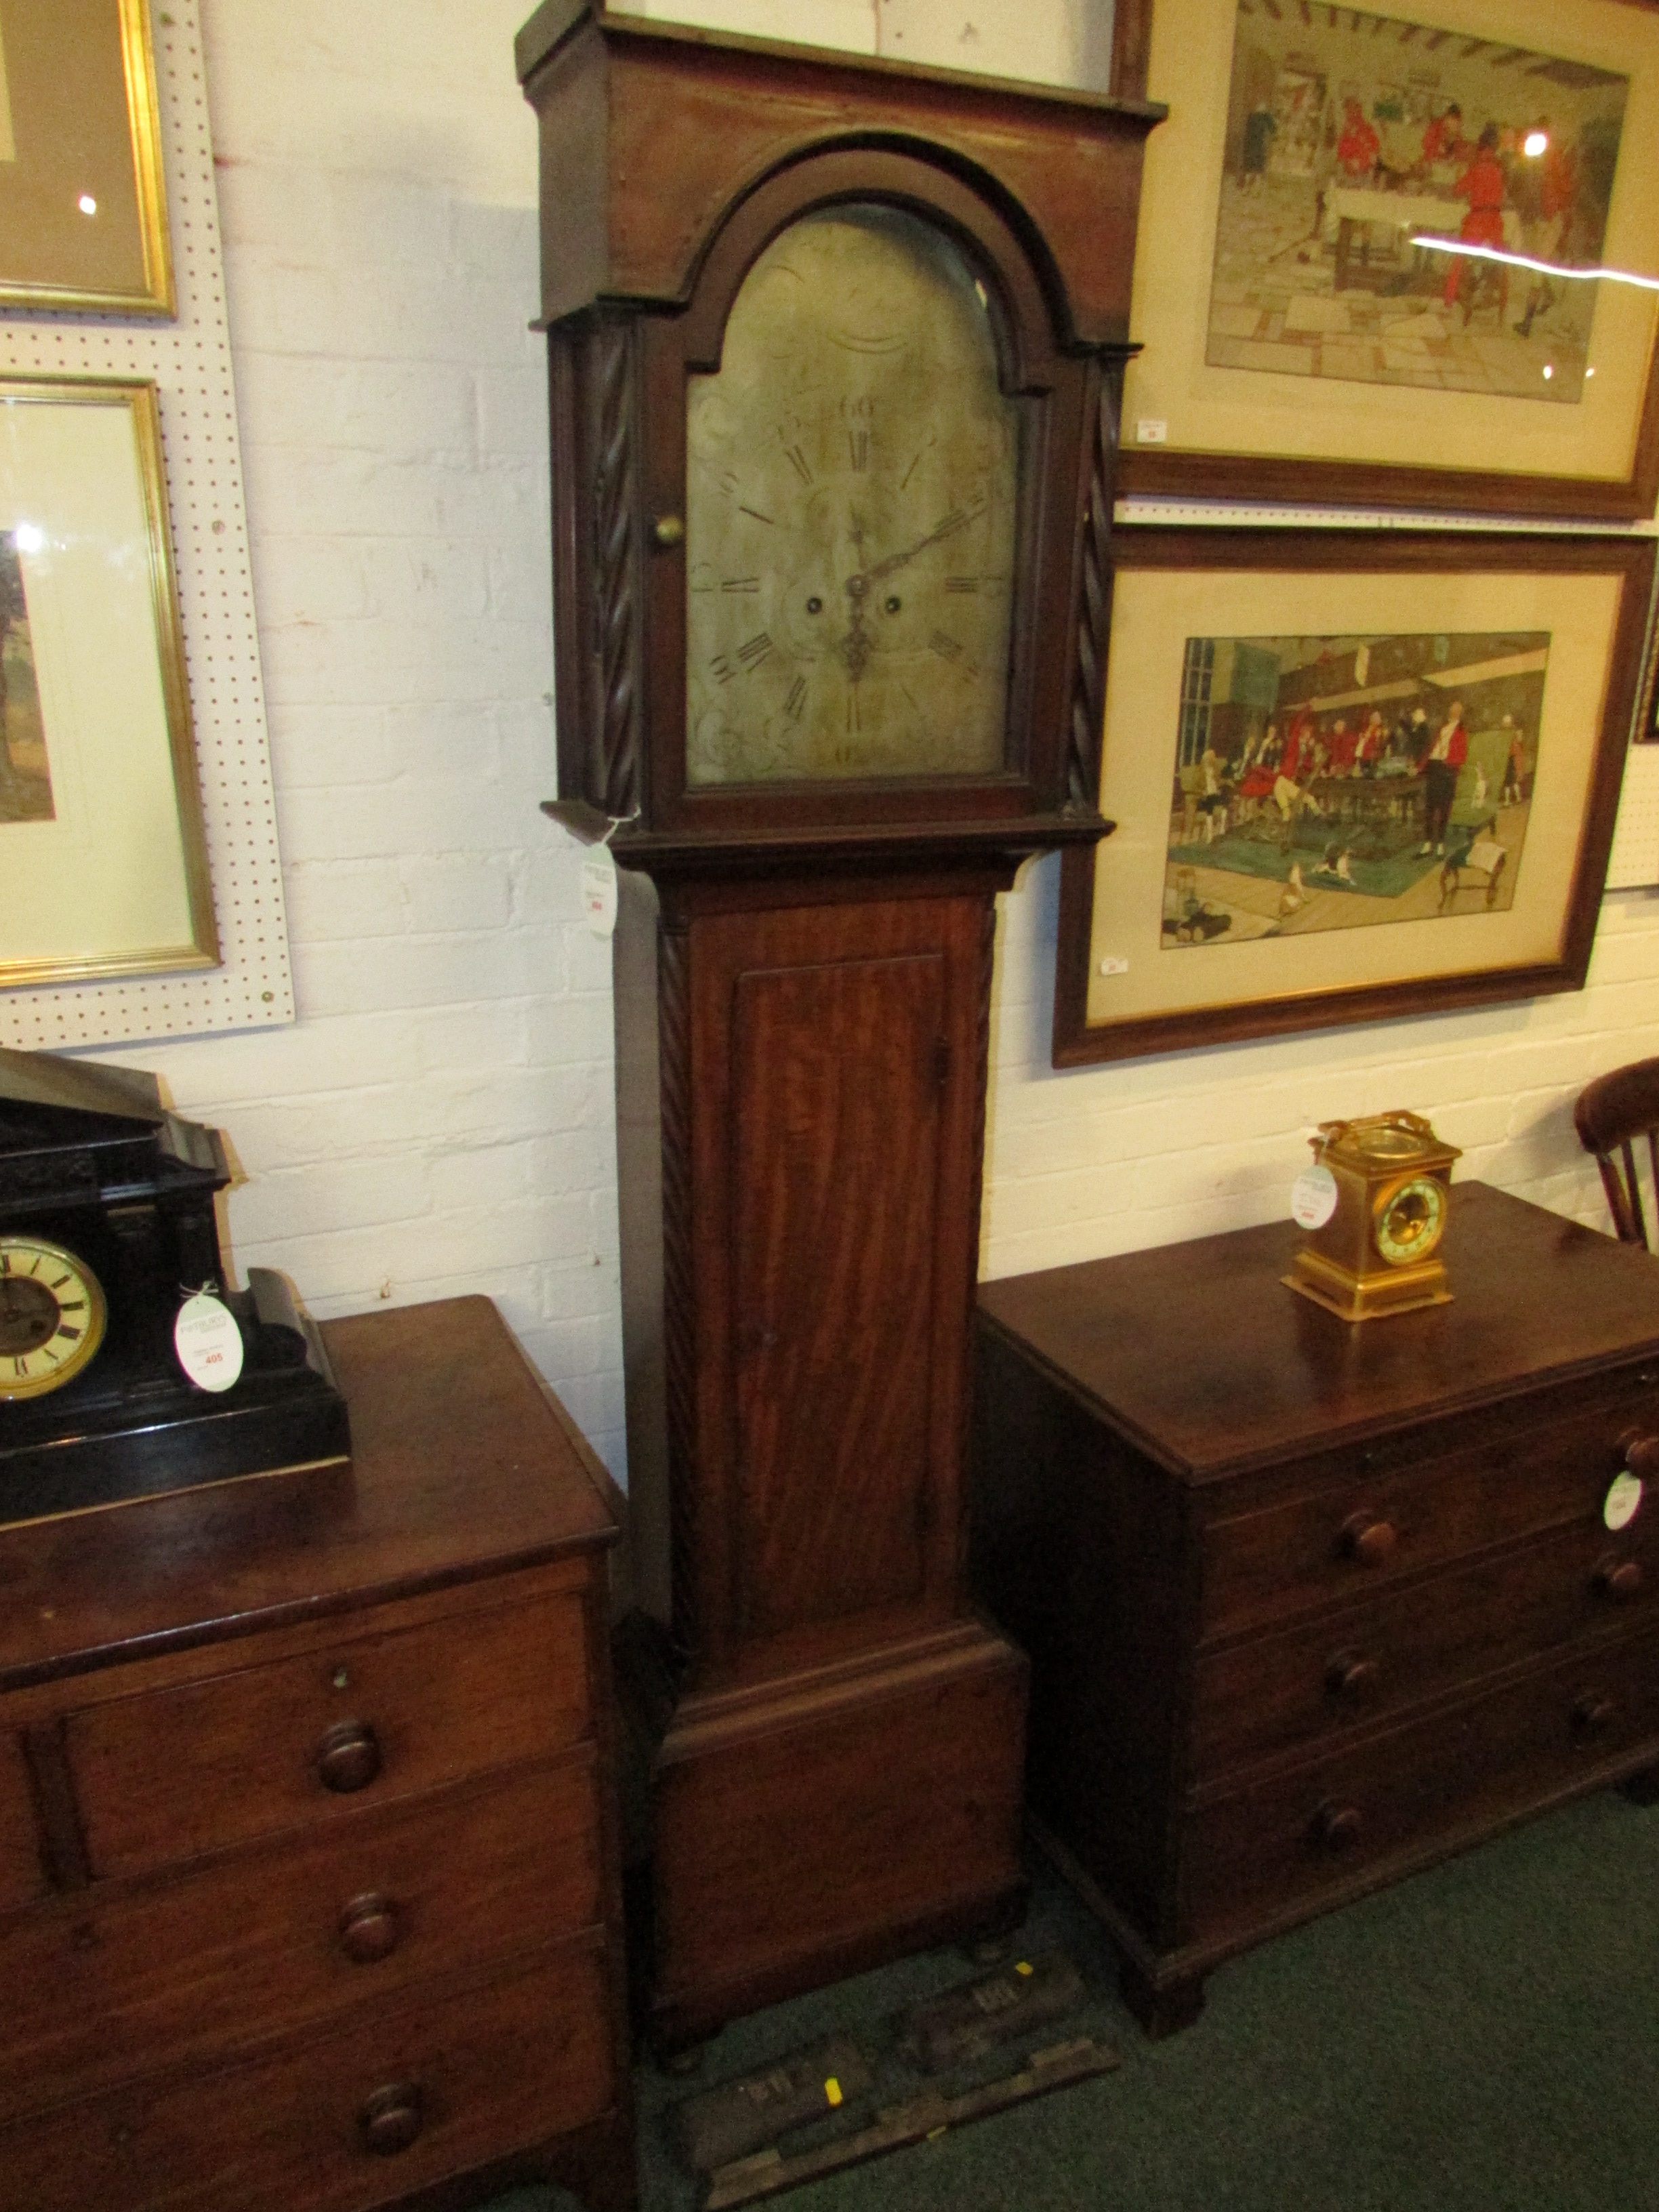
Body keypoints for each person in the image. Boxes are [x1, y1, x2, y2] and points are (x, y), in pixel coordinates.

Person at [1442, 124, 1509, 323]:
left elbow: (1457, 190)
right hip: (1495, 222)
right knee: (1503, 263)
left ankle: (1449, 299)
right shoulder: (1499, 169)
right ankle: (1503, 303)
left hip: (1478, 222)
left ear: (1481, 148)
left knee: (1459, 259)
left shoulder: (1476, 168)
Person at [1417, 699, 1467, 856]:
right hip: (1434, 767)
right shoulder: (1442, 729)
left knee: (1444, 809)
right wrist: (1419, 767)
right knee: (1430, 808)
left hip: (1447, 771)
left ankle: (1440, 845)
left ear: (1460, 713)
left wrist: (1448, 764)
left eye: (1456, 710)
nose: (1453, 712)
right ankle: (1427, 845)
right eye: (1452, 709)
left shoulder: (1461, 732)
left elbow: (1461, 756)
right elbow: (1431, 750)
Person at [1337, 98, 1379, 182]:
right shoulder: (1346, 130)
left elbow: (1374, 149)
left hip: (1364, 173)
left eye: (1353, 110)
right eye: (1348, 111)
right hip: (1349, 173)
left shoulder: (1367, 129)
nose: (1350, 114)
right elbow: (1342, 153)